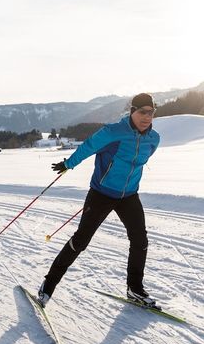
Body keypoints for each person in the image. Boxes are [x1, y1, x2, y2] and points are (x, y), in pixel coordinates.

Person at [38, 93, 161, 308]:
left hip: (129, 195)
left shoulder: (154, 139)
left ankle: (135, 289)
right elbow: (88, 147)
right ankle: (48, 286)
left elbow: (139, 163)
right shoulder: (113, 132)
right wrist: (69, 164)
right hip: (102, 193)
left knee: (140, 241)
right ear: (132, 111)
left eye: (151, 113)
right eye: (142, 112)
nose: (147, 117)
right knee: (80, 241)